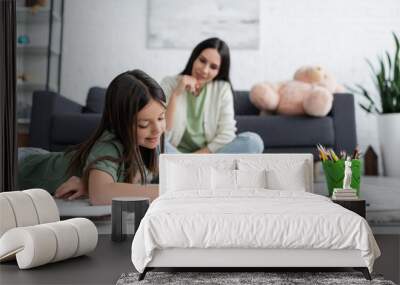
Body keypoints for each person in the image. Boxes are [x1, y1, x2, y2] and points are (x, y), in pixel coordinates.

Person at [18, 70, 166, 205]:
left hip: (39, 158)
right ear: (120, 122)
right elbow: (101, 195)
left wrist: (91, 185)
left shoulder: (148, 147)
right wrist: (167, 192)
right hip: (20, 167)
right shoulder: (109, 145)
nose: (157, 130)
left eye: (161, 118)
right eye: (143, 124)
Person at [160, 37, 264, 154]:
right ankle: (191, 169)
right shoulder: (169, 83)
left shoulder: (222, 89)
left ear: (219, 71)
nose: (204, 70)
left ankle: (189, 169)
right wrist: (176, 94)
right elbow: (163, 133)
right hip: (175, 155)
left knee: (253, 141)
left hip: (208, 157)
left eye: (213, 67)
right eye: (202, 61)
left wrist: (193, 159)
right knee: (155, 143)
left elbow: (227, 134)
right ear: (194, 58)